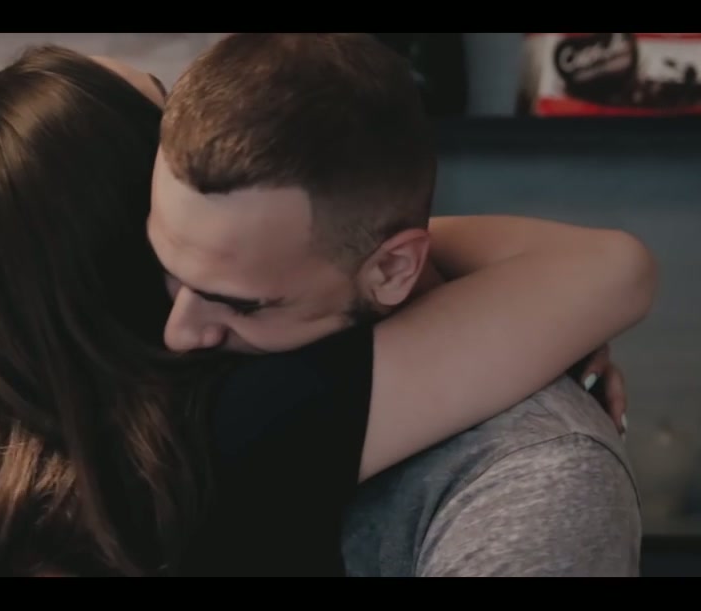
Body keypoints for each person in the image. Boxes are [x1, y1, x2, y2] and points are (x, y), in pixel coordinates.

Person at [0, 41, 657, 577]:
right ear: (130, 234)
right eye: (161, 119)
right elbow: (608, 270)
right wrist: (358, 258)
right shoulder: (236, 424)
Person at [149, 32, 643, 576]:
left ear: (393, 270)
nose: (177, 332)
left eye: (241, 304)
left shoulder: (533, 481)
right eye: (165, 271)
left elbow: (619, 268)